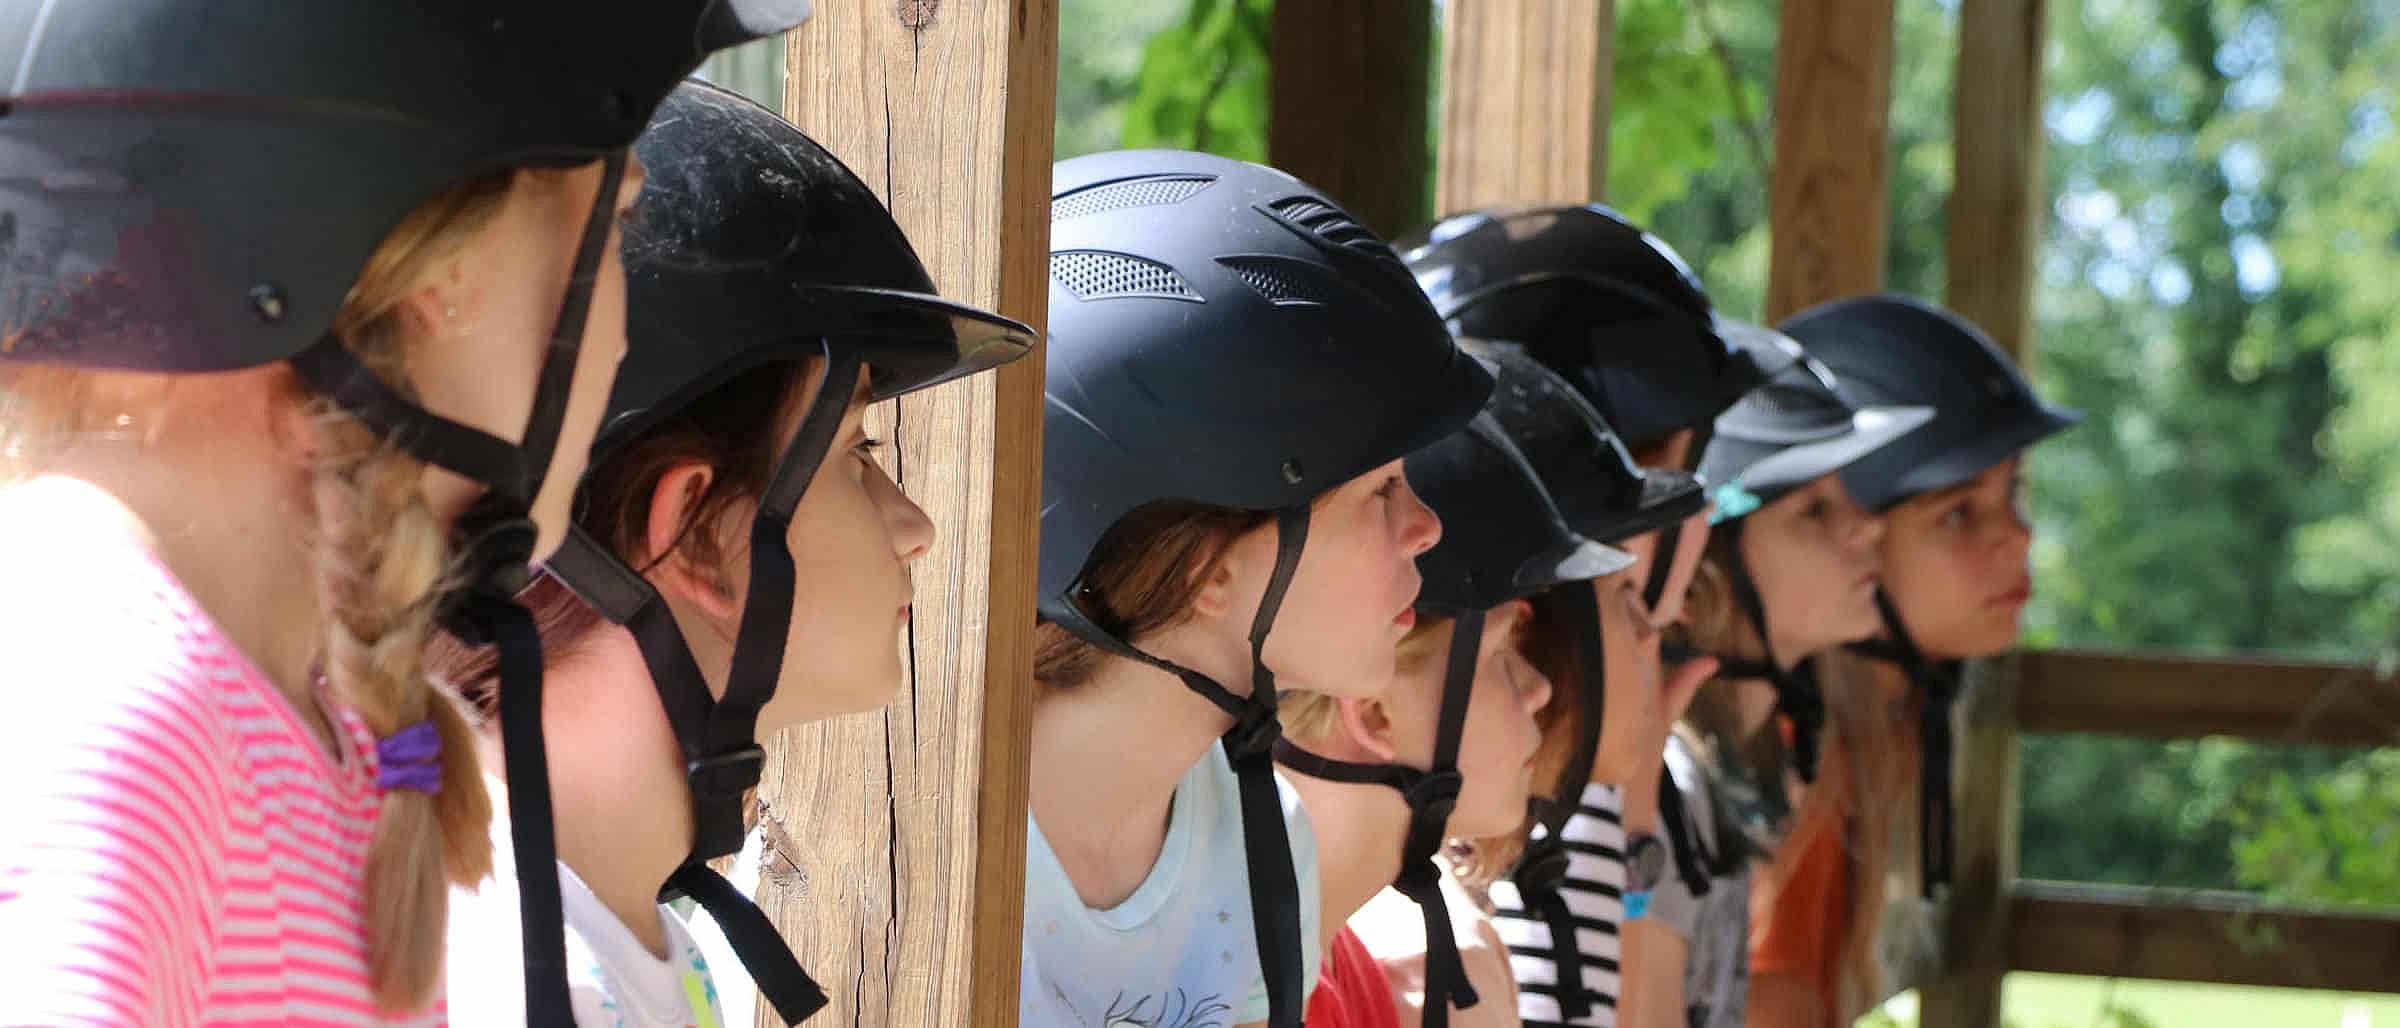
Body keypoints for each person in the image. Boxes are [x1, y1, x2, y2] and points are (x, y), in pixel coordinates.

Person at [0, 4, 803, 1023]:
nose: (618, 343)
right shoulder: (107, 721)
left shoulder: (323, 740)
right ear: (444, 279)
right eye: (616, 230)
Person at [427, 81, 1033, 1027]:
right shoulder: (524, 990)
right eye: (856, 457)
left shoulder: (600, 937)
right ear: (696, 531)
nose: (916, 525)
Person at [1025, 149, 1493, 1028]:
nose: (1426, 526)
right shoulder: (923, 853)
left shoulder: (1257, 835)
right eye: (1377, 492)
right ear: (1208, 565)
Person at [1404, 206, 1791, 1028]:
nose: (1700, 528)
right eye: (1689, 483)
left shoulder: (1542, 755)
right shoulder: (1504, 776)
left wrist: (1638, 801)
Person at [1736, 294, 2078, 1025]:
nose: (2017, 536)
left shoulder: (1868, 732)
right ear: (1849, 532)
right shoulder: (1800, 755)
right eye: (1958, 512)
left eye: (2012, 493)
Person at [1673, 342, 1931, 1028]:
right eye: (1812, 512)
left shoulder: (1749, 764)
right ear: (1708, 573)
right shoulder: (1669, 786)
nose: (1867, 528)